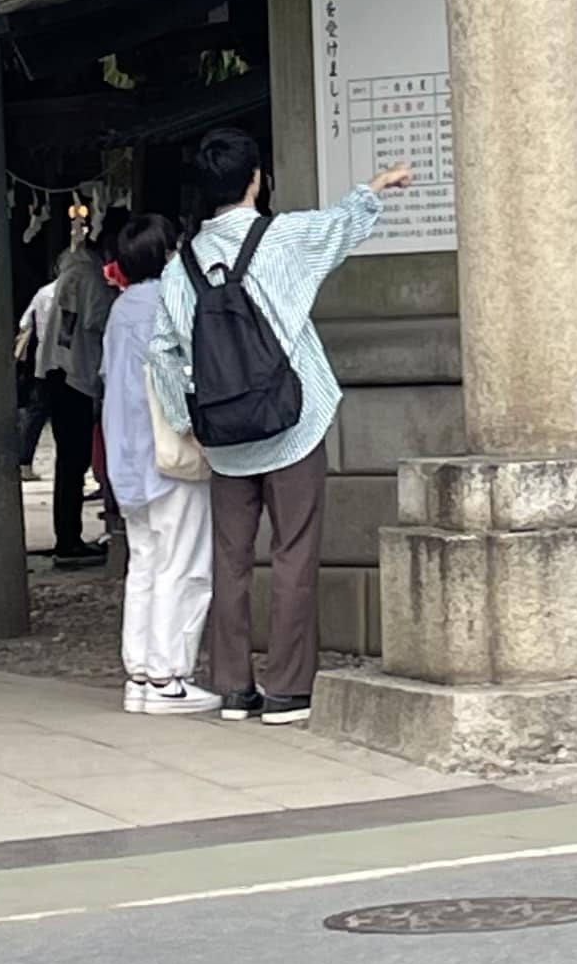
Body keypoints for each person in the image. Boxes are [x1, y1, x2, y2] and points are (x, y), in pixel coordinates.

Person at [150, 126, 413, 724]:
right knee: (294, 553)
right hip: (293, 423)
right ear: (255, 179)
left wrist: (188, 420)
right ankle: (288, 689)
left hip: (225, 438)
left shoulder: (180, 267)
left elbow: (164, 352)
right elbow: (341, 225)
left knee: (231, 558)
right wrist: (377, 185)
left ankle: (234, 686)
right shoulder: (284, 237)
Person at [101, 211, 214, 711]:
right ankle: (170, 674)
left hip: (127, 459)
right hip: (169, 455)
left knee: (145, 564)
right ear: (170, 253)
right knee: (184, 565)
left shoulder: (122, 308)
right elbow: (179, 375)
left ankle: (142, 673)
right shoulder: (173, 302)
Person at [24, 215, 115, 570]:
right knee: (73, 462)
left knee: (68, 462)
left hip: (57, 371)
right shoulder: (91, 277)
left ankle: (67, 533)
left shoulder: (68, 276)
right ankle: (68, 538)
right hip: (76, 374)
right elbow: (96, 322)